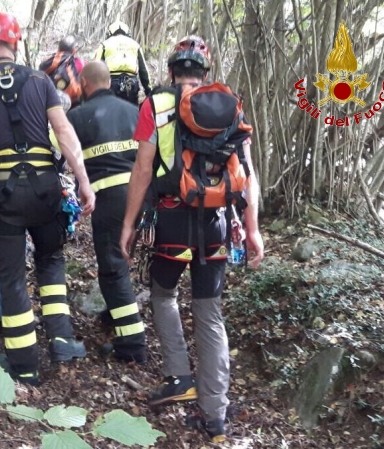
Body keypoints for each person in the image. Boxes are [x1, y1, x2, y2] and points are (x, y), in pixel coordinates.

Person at [118, 35, 265, 443]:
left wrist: (129, 223)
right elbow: (247, 175)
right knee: (210, 311)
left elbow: (143, 170)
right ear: (206, 71)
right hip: (217, 224)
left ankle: (180, 377)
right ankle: (215, 414)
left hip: (171, 223)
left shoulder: (155, 105)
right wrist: (252, 230)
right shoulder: (229, 107)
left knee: (163, 294)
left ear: (170, 71)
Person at [0, 12, 96, 386]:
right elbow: (64, 131)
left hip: (3, 195)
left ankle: (25, 364)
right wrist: (83, 181)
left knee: (12, 276)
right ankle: (62, 341)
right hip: (46, 189)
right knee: (51, 260)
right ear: (15, 43)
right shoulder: (40, 80)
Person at [66, 61, 146, 363]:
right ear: (109, 81)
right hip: (141, 196)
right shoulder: (134, 112)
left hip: (110, 197)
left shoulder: (77, 116)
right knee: (124, 261)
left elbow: (57, 153)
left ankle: (133, 344)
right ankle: (117, 320)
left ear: (84, 84)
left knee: (113, 270)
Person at [93, 20, 151, 105]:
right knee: (132, 112)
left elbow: (96, 67)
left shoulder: (104, 44)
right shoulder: (135, 45)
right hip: (131, 83)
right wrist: (148, 90)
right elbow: (143, 70)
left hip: (112, 82)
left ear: (110, 33)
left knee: (111, 112)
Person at [39, 35, 85, 108]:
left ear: (58, 49)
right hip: (71, 104)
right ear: (74, 50)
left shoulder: (47, 61)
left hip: (46, 101)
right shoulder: (80, 63)